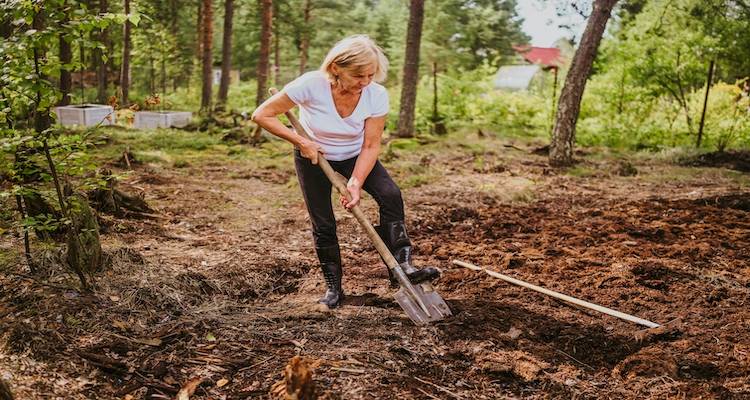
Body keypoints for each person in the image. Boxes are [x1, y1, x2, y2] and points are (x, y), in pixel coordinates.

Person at [252, 35, 439, 309]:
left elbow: (371, 144)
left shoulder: (376, 94)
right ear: (336, 67)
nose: (364, 81)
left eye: (370, 74)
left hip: (355, 154)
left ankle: (403, 268)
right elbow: (262, 115)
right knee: (323, 222)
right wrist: (302, 141)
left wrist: (355, 181)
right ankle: (333, 289)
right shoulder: (310, 85)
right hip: (314, 155)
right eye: (358, 75)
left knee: (390, 194)